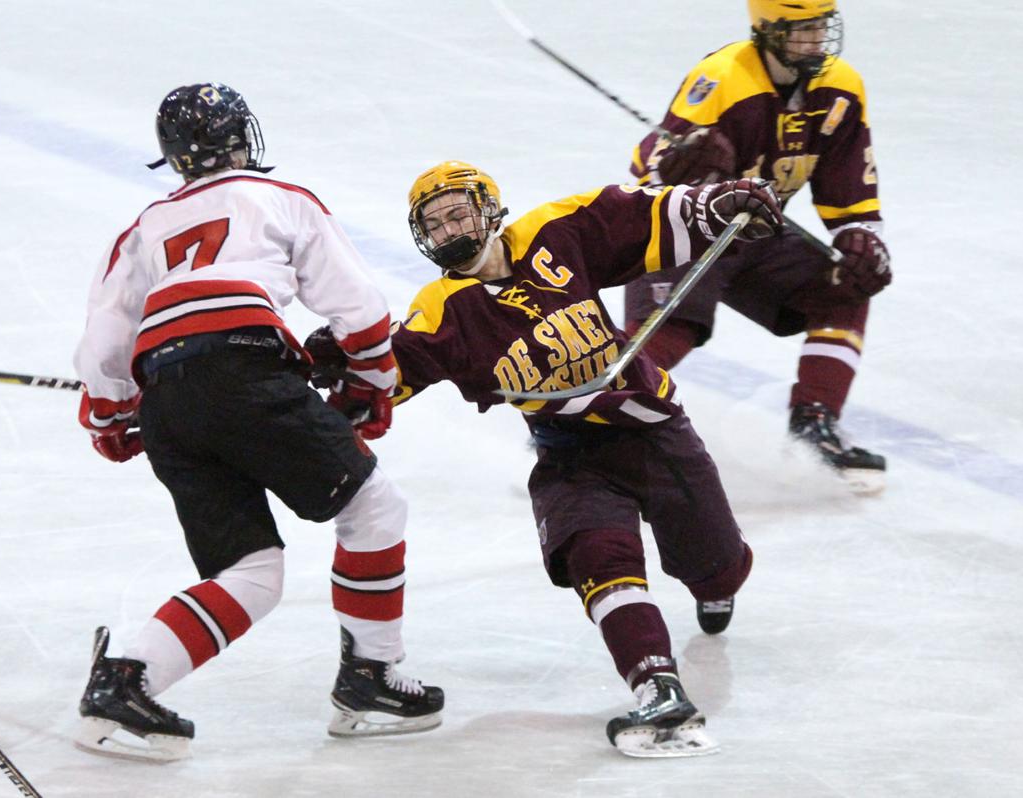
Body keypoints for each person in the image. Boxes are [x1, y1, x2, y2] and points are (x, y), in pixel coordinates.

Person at [313, 161, 779, 757]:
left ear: (488, 208)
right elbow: (391, 370)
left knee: (716, 565)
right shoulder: (443, 309)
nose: (448, 228)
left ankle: (715, 582)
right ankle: (657, 687)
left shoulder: (557, 231)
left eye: (457, 211)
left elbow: (646, 216)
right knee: (598, 557)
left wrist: (715, 204)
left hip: (652, 432)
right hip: (570, 456)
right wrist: (346, 362)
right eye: (433, 222)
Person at [71, 83, 442, 760]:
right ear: (245, 136)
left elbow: (105, 347)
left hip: (168, 404)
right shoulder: (282, 199)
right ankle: (371, 679)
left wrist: (113, 415)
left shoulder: (143, 228)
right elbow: (359, 310)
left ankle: (125, 682)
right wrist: (372, 383)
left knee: (250, 571)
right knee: (376, 508)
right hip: (246, 374)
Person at [623, 0, 892, 494]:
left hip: (757, 229)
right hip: (688, 226)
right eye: (801, 29)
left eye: (821, 27)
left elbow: (850, 191)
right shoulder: (721, 77)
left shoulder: (841, 88)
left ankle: (814, 425)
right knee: (674, 327)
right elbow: (650, 174)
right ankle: (584, 430)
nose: (816, 40)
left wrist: (860, 237)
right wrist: (684, 166)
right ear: (767, 29)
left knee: (849, 281)